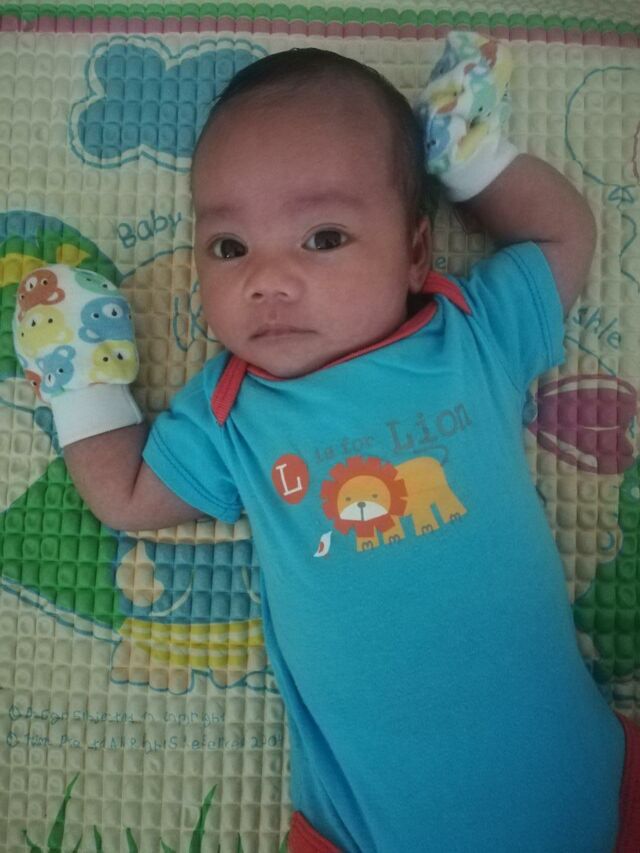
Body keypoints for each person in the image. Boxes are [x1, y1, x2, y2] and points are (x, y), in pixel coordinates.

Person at [13, 36, 639, 852]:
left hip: (595, 788)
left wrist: (475, 164)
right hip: (373, 826)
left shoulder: (468, 332)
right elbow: (127, 495)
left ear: (416, 252)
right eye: (229, 247)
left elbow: (563, 238)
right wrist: (85, 386)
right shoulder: (235, 409)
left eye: (323, 237)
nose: (266, 279)